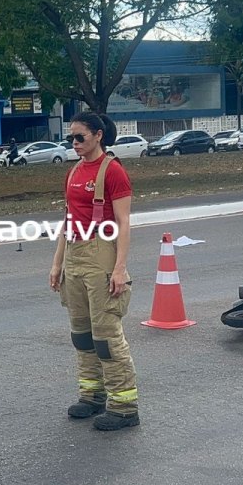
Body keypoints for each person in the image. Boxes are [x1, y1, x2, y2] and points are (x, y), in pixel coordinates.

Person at [48, 111, 140, 432]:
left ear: (98, 135)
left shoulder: (113, 172)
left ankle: (124, 406)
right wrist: (57, 263)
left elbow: (124, 223)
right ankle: (92, 396)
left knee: (105, 335)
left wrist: (119, 269)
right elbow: (68, 219)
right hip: (74, 253)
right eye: (70, 138)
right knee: (82, 334)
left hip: (101, 253)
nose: (74, 143)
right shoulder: (74, 171)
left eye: (80, 137)